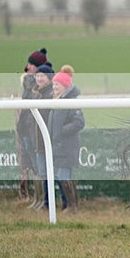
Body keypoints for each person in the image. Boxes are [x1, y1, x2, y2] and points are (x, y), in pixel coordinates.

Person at [47, 65, 85, 212]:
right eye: (54, 84)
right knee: (62, 175)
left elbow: (79, 122)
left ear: (65, 85)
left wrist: (60, 131)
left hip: (67, 145)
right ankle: (71, 205)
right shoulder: (57, 99)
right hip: (59, 145)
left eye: (57, 84)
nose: (54, 87)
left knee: (64, 175)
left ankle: (72, 206)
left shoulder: (71, 101)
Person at [16, 48, 49, 204]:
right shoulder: (27, 86)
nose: (27, 67)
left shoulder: (38, 88)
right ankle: (38, 199)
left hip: (35, 133)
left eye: (31, 64)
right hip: (26, 132)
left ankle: (43, 200)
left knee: (40, 169)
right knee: (34, 168)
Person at [32, 62, 56, 209]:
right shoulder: (37, 94)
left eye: (42, 76)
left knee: (49, 173)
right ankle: (44, 201)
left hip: (47, 141)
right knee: (42, 173)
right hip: (38, 141)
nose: (39, 79)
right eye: (38, 75)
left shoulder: (49, 95)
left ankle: (48, 203)